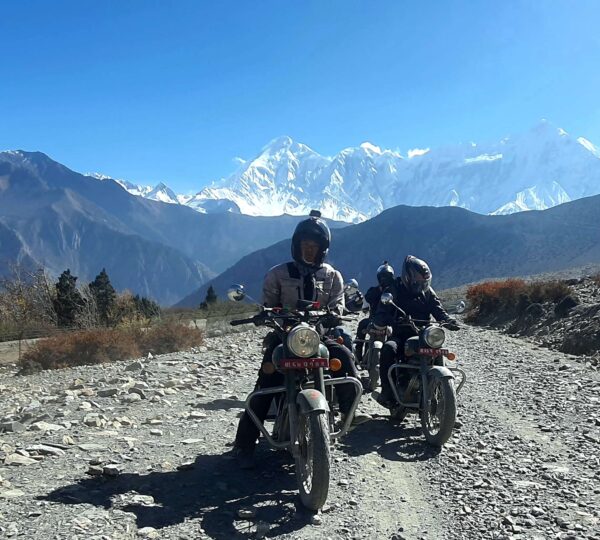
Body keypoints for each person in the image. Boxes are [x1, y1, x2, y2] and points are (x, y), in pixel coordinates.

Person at [233, 211, 371, 468]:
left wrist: (336, 314)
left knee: (345, 357)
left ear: (323, 249)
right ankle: (244, 443)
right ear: (296, 246)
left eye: (314, 246)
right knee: (266, 381)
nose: (309, 250)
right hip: (286, 336)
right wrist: (265, 314)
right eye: (305, 245)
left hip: (320, 334)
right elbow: (267, 304)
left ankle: (348, 412)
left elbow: (338, 304)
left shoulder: (332, 276)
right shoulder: (277, 274)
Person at [373, 255, 459, 407]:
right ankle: (387, 392)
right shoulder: (394, 288)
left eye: (424, 281)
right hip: (401, 333)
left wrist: (448, 320)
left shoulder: (427, 291)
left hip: (424, 334)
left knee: (438, 351)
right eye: (417, 281)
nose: (421, 284)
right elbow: (382, 311)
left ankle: (446, 404)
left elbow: (438, 309)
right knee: (388, 349)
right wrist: (392, 320)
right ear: (408, 278)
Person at [354, 261, 395, 365]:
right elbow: (368, 298)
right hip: (374, 320)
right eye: (382, 277)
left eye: (387, 277)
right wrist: (379, 290)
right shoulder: (374, 290)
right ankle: (358, 352)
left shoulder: (395, 291)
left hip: (390, 321)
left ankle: (393, 358)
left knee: (396, 335)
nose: (384, 279)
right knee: (362, 324)